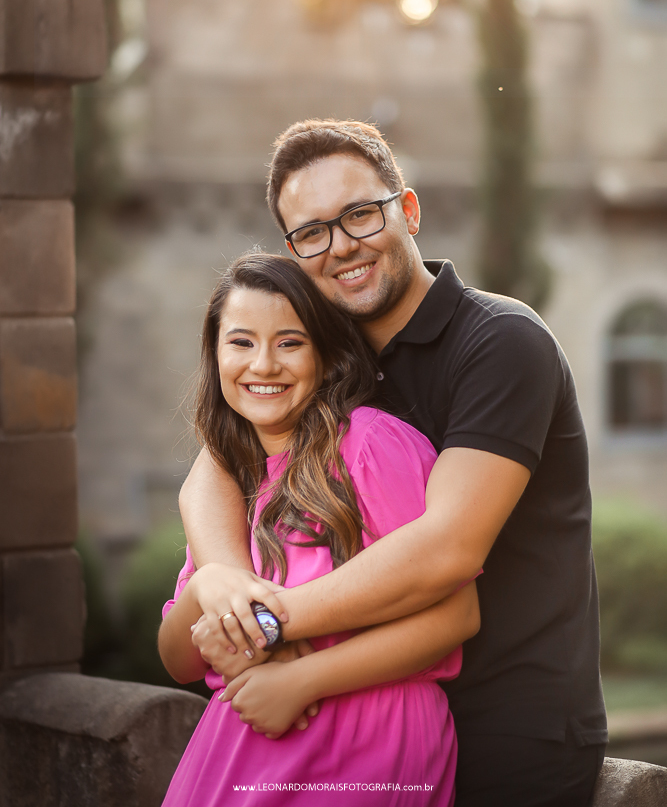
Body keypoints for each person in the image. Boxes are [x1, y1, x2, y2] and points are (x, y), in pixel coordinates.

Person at [179, 120, 608, 806]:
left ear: (406, 211)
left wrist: (266, 622)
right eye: (311, 232)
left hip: (512, 724)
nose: (340, 245)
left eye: (358, 215)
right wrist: (225, 580)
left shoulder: (500, 343)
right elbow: (217, 461)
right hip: (365, 717)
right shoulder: (327, 353)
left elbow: (448, 549)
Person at [159, 253, 480, 806]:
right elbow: (177, 660)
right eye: (240, 343)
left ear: (325, 356)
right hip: (239, 745)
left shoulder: (370, 446)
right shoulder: (231, 483)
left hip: (368, 739)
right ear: (214, 356)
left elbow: (458, 614)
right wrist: (210, 584)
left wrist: (303, 681)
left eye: (289, 342)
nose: (263, 365)